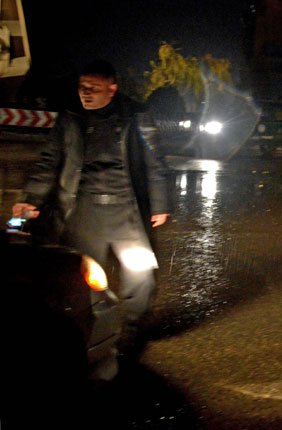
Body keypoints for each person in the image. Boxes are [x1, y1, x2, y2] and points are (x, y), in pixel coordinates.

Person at [12, 59, 172, 372]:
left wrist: (160, 203)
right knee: (80, 279)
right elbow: (50, 160)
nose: (85, 93)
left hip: (127, 212)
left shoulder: (137, 115)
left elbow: (155, 161)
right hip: (82, 210)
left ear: (112, 89)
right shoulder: (70, 117)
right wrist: (31, 199)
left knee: (139, 279)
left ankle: (132, 333)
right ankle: (83, 337)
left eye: (94, 88)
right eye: (82, 86)